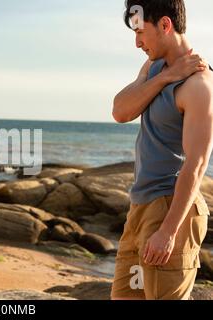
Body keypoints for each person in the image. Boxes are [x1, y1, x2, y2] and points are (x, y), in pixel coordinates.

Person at [111, 0, 213, 300]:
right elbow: (120, 111)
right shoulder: (155, 68)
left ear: (165, 25)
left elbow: (196, 164)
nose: (137, 42)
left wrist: (168, 232)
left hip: (171, 208)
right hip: (140, 207)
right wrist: (166, 76)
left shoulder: (199, 86)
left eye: (141, 32)